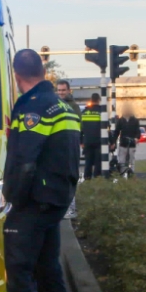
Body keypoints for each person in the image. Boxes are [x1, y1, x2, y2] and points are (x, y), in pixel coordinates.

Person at [0, 49, 80, 292]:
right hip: (56, 199)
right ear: (43, 71)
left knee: (19, 272)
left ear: (17, 77)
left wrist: (10, 197)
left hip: (33, 201)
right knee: (48, 271)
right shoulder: (63, 106)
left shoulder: (32, 108)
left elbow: (25, 161)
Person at [56, 80, 80, 218]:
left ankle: (71, 208)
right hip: (58, 148)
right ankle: (61, 207)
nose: (61, 93)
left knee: (70, 177)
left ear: (69, 91)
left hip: (71, 146)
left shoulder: (74, 107)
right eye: (59, 90)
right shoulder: (55, 106)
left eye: (63, 90)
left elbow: (77, 126)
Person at [80, 92, 103, 179]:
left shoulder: (84, 112)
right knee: (98, 163)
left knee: (88, 163)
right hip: (98, 141)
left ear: (91, 100)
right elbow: (106, 128)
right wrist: (111, 141)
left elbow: (80, 128)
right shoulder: (101, 111)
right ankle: (97, 181)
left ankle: (87, 180)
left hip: (87, 141)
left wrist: (81, 141)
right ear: (99, 100)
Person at [113, 106, 141, 176]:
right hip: (123, 144)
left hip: (132, 144)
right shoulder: (121, 120)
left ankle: (131, 173)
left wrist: (136, 138)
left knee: (131, 160)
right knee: (122, 161)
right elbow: (117, 132)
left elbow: (138, 132)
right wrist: (113, 142)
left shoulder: (135, 121)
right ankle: (122, 174)